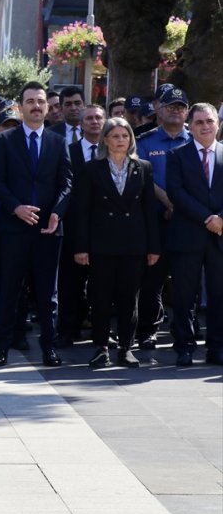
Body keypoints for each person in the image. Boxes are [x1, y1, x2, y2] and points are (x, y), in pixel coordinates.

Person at [0, 81, 71, 367]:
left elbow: (67, 183)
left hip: (48, 230)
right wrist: (15, 208)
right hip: (15, 228)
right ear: (21, 107)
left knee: (48, 295)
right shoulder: (5, 140)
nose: (36, 106)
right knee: (9, 290)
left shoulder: (58, 142)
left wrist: (57, 212)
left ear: (47, 107)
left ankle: (49, 348)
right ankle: (1, 348)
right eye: (30, 101)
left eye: (40, 101)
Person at [73, 117, 159, 368]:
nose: (121, 140)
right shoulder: (92, 169)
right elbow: (83, 211)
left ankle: (125, 347)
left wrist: (154, 247)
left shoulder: (143, 167)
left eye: (125, 136)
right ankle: (101, 347)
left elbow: (149, 210)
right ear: (106, 140)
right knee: (100, 297)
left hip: (133, 243)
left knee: (128, 298)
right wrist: (81, 246)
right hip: (102, 243)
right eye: (115, 136)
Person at [166, 103, 222, 366]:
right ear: (190, 126)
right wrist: (207, 218)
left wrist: (220, 219)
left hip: (220, 236)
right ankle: (185, 347)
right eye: (199, 122)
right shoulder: (177, 154)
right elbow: (176, 192)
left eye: (209, 121)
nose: (205, 126)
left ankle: (217, 347)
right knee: (185, 295)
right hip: (188, 234)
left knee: (219, 294)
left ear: (218, 124)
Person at [135, 87, 191, 348]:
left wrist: (180, 205)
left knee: (185, 280)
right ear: (159, 109)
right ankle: (147, 330)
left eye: (181, 106)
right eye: (171, 106)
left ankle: (184, 331)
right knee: (152, 280)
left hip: (188, 220)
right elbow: (144, 177)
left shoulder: (194, 139)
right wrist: (169, 202)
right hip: (155, 220)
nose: (176, 110)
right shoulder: (145, 141)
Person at [55, 103, 106, 348]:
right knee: (70, 282)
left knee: (103, 284)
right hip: (74, 227)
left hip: (106, 228)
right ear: (81, 124)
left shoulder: (113, 152)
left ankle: (102, 331)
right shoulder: (69, 150)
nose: (94, 122)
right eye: (89, 119)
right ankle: (67, 328)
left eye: (98, 118)